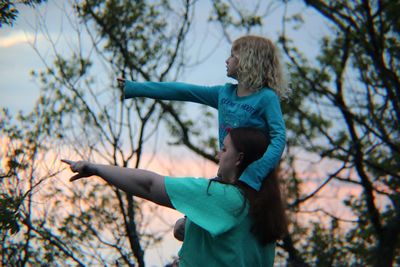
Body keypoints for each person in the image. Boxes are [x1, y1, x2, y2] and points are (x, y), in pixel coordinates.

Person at [62, 127, 287, 267]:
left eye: (224, 149)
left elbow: (149, 185)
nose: (219, 154)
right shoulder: (263, 211)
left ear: (239, 158)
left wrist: (95, 169)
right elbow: (227, 248)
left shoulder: (225, 198)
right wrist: (189, 229)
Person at [117, 35, 289, 192]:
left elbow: (279, 137)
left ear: (247, 61)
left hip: (255, 182)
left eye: (232, 56)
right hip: (227, 175)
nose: (227, 61)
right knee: (184, 224)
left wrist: (256, 173)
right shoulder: (224, 94)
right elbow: (183, 91)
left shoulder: (266, 98)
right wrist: (135, 88)